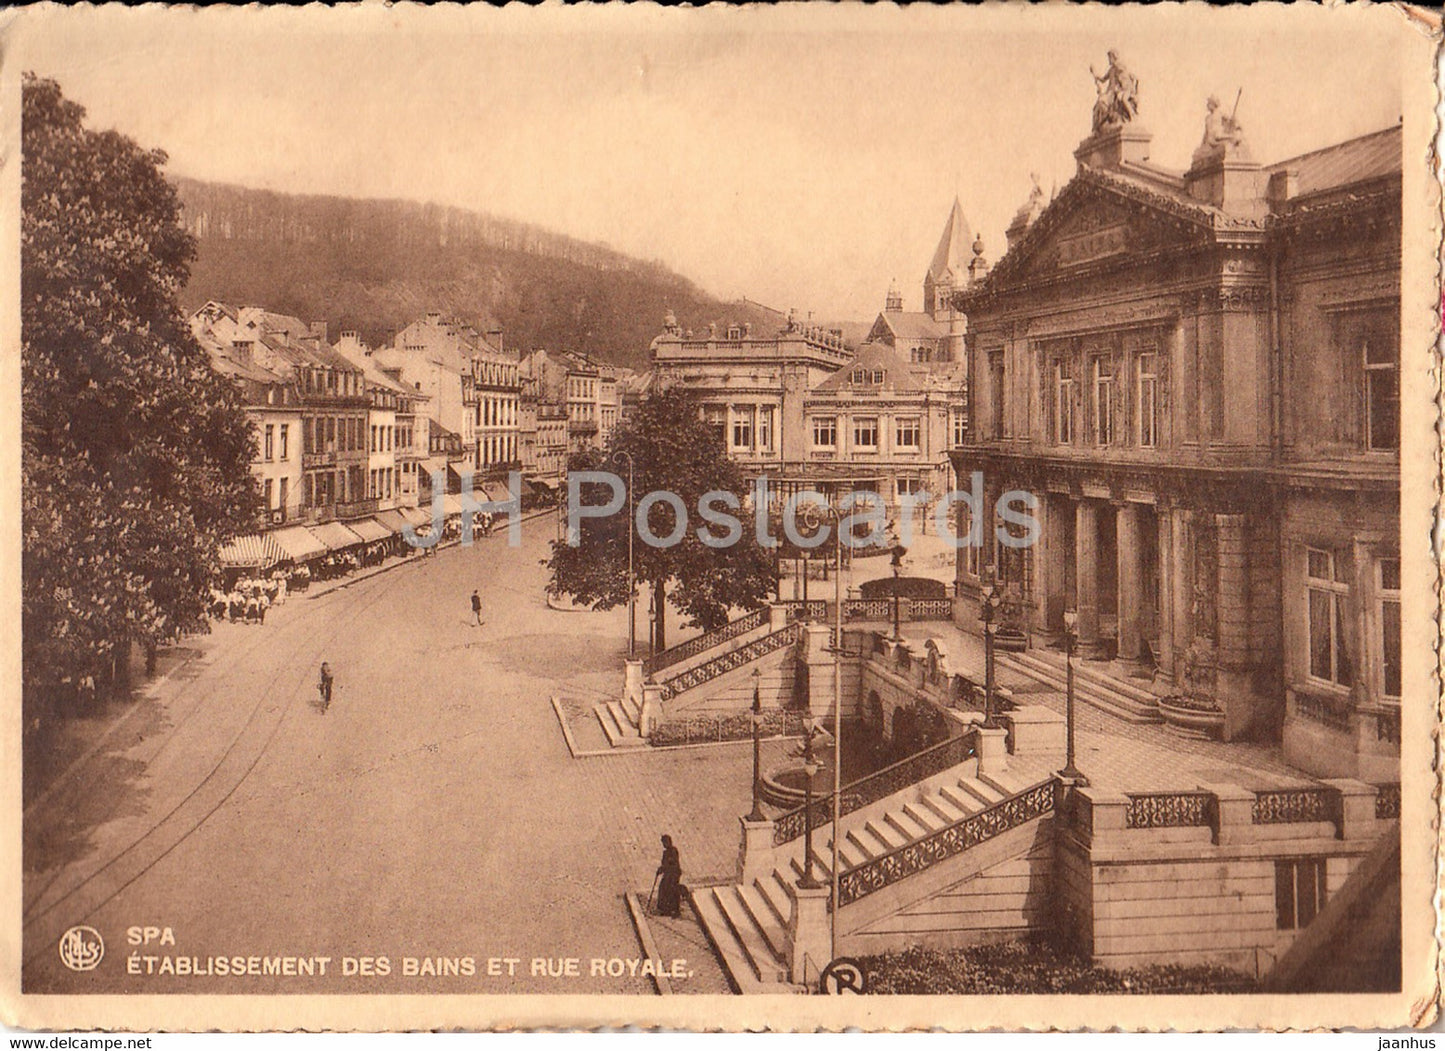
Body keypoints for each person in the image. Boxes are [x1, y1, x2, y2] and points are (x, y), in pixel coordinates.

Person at [654, 835, 683, 918]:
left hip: (673, 874)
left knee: (672, 891)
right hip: (668, 874)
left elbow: (670, 864)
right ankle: (666, 909)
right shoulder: (666, 852)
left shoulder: (673, 851)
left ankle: (674, 910)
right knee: (664, 889)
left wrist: (662, 869)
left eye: (665, 843)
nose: (664, 845)